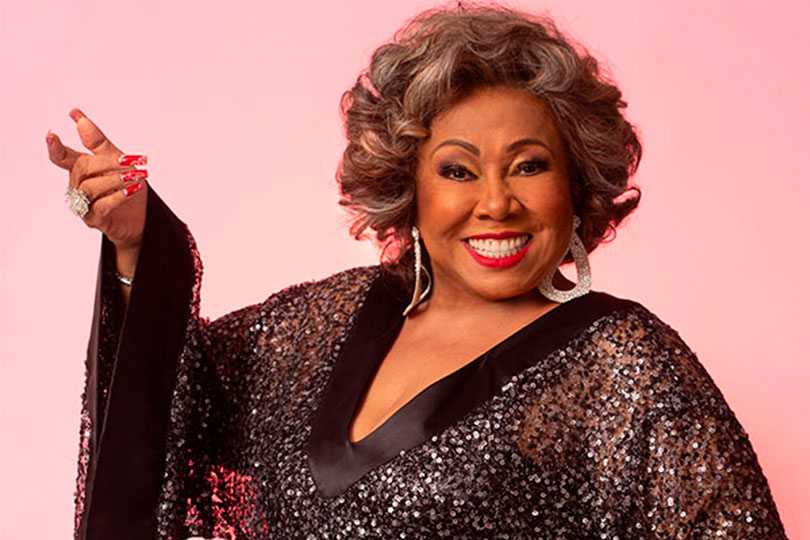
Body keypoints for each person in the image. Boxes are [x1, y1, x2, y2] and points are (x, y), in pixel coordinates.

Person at [47, 4, 788, 540]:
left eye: (529, 165)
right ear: (410, 186)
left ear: (575, 186)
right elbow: (165, 407)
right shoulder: (322, 322)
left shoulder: (622, 363)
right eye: (458, 170)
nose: (495, 202)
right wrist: (141, 243)